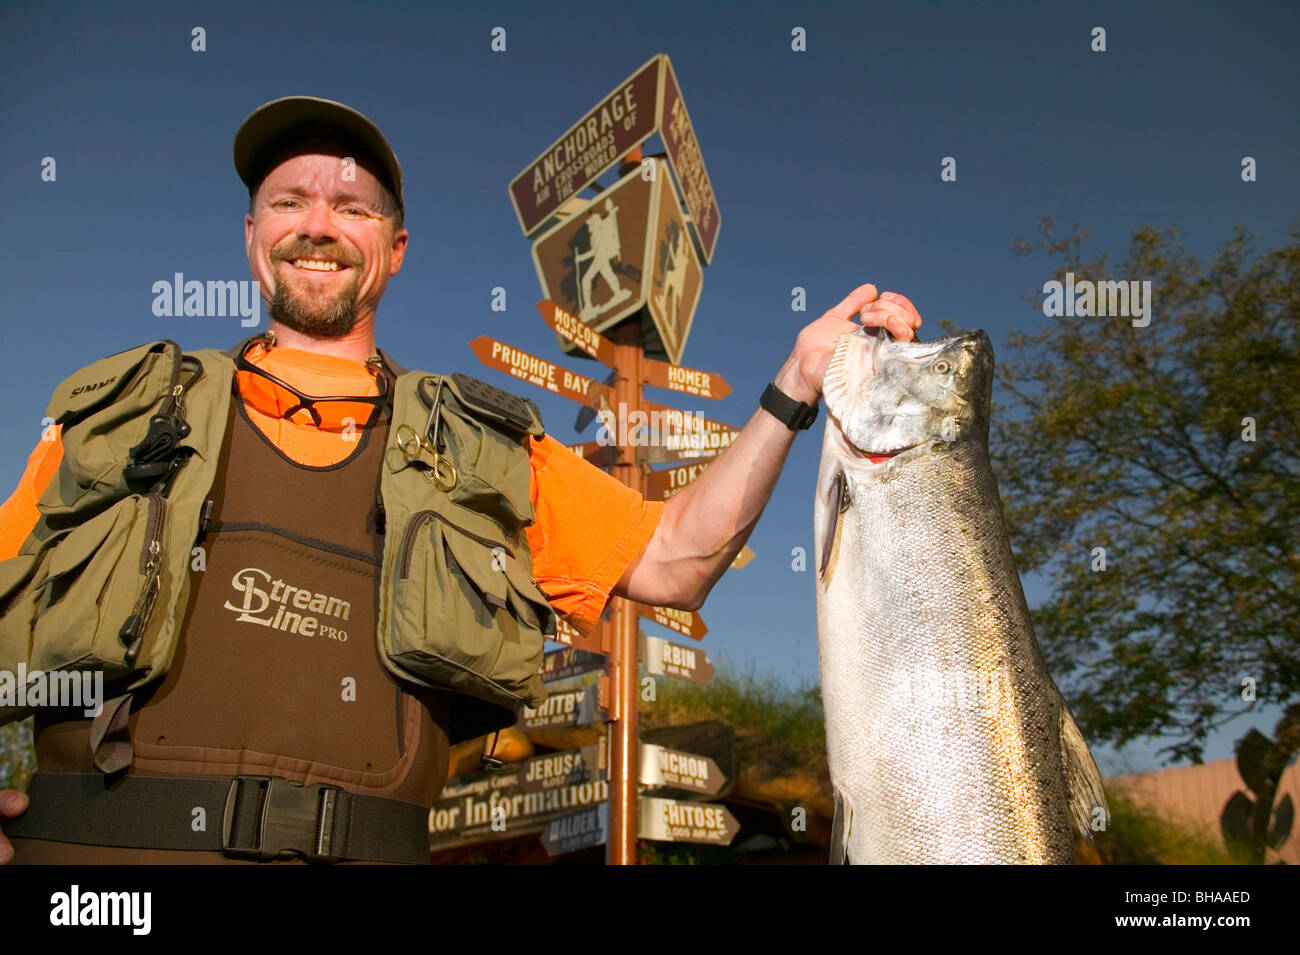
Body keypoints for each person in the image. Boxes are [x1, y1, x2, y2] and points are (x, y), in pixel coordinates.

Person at [0, 96, 922, 864]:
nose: (318, 224)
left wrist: (795, 383)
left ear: (395, 250)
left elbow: (678, 557)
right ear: (253, 235)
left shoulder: (485, 449)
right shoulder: (121, 412)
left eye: (354, 208)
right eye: (290, 202)